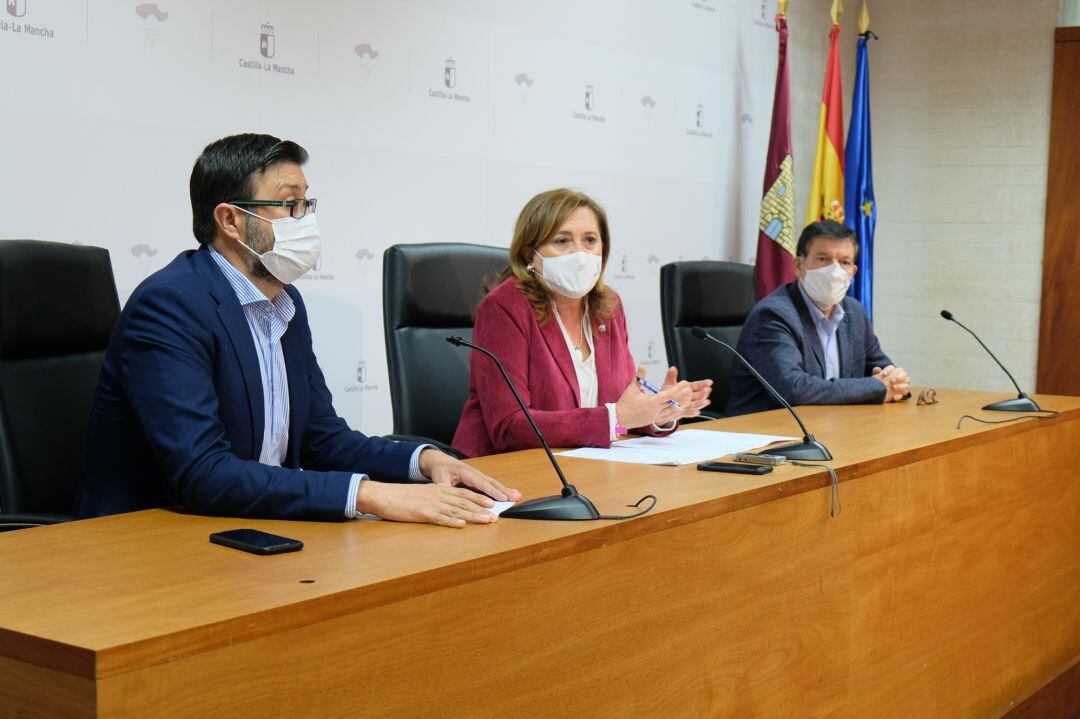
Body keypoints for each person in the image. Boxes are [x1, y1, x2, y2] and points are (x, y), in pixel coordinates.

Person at [78, 133, 519, 527]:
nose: (304, 219)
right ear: (230, 221)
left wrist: (424, 462)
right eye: (289, 204)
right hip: (146, 541)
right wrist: (371, 494)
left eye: (307, 204)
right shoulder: (171, 305)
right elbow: (203, 474)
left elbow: (321, 439)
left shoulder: (283, 301)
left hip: (244, 527)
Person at [452, 188, 712, 457]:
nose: (580, 254)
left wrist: (657, 412)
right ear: (530, 255)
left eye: (590, 240)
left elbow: (622, 410)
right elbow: (509, 427)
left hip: (584, 467)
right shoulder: (505, 307)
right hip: (502, 473)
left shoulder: (608, 306)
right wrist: (615, 419)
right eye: (562, 241)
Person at [725, 220, 910, 416]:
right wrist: (877, 387)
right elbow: (794, 390)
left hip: (829, 427)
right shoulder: (773, 315)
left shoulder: (854, 313)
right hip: (762, 434)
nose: (834, 271)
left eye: (844, 262)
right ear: (798, 266)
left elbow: (885, 370)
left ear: (853, 272)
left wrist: (896, 381)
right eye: (823, 259)